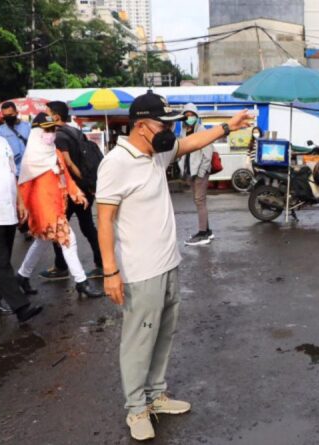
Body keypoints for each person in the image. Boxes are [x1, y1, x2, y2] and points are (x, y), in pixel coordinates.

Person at [96, 91, 251, 441]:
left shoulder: (157, 152)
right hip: (140, 270)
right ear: (140, 126)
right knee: (139, 340)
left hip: (168, 263)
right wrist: (110, 272)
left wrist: (228, 127)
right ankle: (136, 409)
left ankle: (156, 395)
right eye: (161, 124)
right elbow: (104, 220)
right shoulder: (116, 163)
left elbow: (192, 141)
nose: (168, 130)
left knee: (163, 335)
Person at [15, 114, 104, 299]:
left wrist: (76, 193)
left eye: (53, 129)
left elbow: (66, 176)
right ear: (37, 132)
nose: (51, 133)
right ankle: (81, 282)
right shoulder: (31, 158)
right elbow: (23, 188)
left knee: (41, 241)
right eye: (47, 130)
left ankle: (22, 276)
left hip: (58, 205)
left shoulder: (54, 153)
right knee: (68, 240)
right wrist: (23, 210)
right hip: (43, 209)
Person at [0, 100, 43, 322]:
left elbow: (12, 174)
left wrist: (20, 202)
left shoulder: (1, 141)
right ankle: (21, 307)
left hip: (7, 211)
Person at [39, 101, 104, 281]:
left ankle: (61, 267)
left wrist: (80, 182)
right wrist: (89, 184)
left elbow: (67, 163)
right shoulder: (75, 131)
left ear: (56, 116)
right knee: (87, 227)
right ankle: (101, 264)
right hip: (84, 189)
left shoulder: (58, 136)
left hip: (71, 191)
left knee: (58, 227)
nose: (46, 116)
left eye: (48, 113)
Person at [178, 103, 215, 246]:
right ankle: (207, 231)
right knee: (200, 201)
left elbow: (208, 153)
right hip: (191, 172)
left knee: (199, 201)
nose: (189, 118)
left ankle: (202, 234)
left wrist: (200, 172)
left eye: (191, 115)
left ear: (196, 116)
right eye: (186, 115)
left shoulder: (201, 130)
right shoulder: (184, 131)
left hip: (200, 173)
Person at [0, 101, 30, 176]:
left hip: (29, 169)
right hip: (13, 172)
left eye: (10, 115)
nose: (8, 117)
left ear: (16, 112)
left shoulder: (28, 126)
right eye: (5, 115)